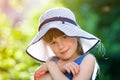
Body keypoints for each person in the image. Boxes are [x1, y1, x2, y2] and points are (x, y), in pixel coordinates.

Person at [26, 7, 101, 80]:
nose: (61, 46)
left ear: (75, 34)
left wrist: (51, 66)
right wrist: (59, 67)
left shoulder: (88, 59)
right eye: (53, 42)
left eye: (64, 37)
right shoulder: (52, 60)